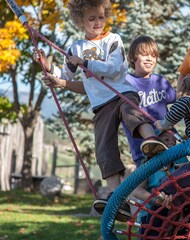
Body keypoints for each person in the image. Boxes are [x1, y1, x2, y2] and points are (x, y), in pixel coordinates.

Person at [33, 0, 167, 219]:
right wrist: (47, 64)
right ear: (80, 21)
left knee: (132, 113)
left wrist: (85, 63)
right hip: (101, 105)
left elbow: (114, 69)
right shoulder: (76, 48)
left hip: (121, 93)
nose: (97, 22)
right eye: (91, 18)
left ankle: (151, 141)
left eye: (101, 17)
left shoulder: (113, 40)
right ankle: (116, 195)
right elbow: (63, 75)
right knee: (104, 146)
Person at [122, 35, 177, 167]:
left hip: (170, 145)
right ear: (133, 58)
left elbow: (178, 103)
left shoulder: (160, 81)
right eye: (144, 54)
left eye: (153, 55)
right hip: (143, 150)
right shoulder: (126, 82)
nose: (149, 59)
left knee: (180, 182)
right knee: (154, 184)